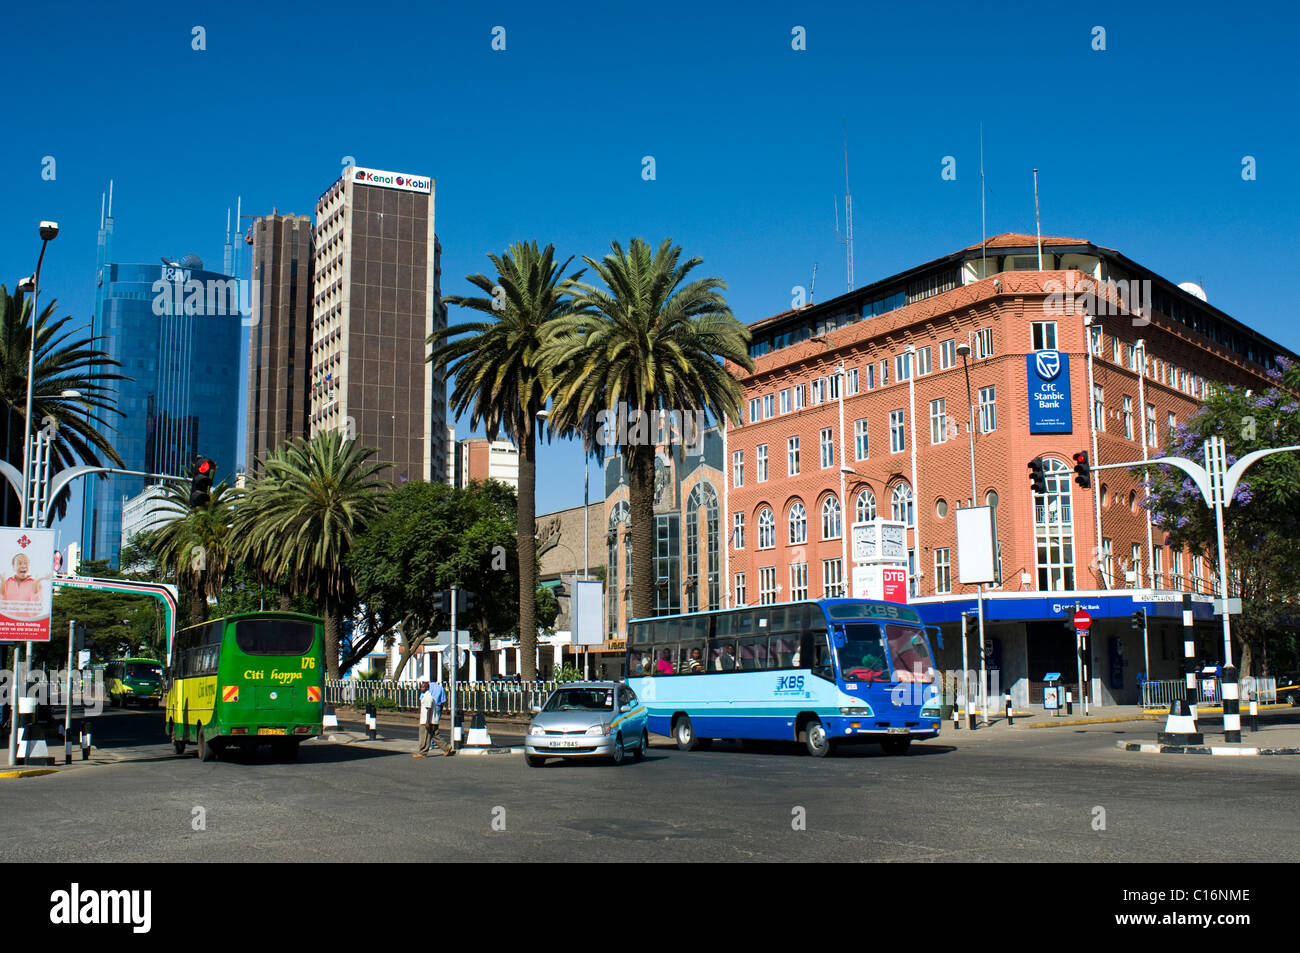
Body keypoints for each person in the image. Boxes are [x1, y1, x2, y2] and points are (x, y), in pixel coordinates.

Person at [415, 679, 451, 757]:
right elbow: (443, 701)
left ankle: (422, 752)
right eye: (421, 687)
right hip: (434, 719)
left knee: (424, 736)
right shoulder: (432, 694)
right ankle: (447, 747)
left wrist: (427, 722)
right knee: (435, 736)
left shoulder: (427, 696)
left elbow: (429, 709)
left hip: (427, 720)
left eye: (423, 687)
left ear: (427, 688)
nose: (421, 689)